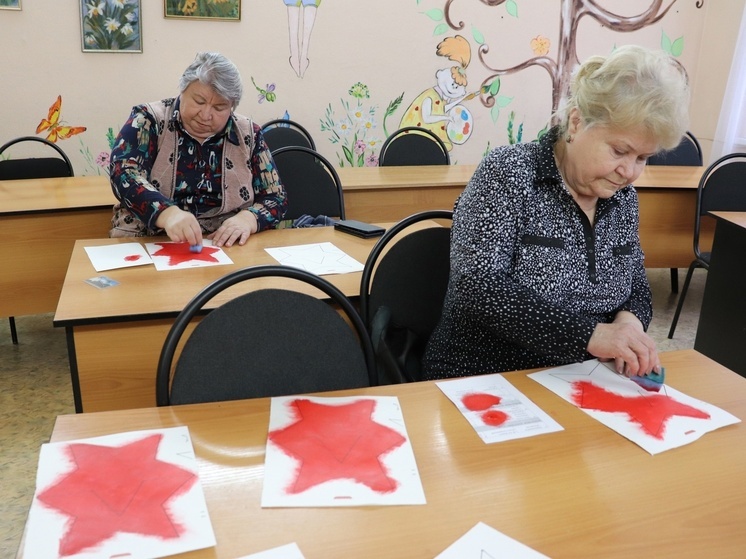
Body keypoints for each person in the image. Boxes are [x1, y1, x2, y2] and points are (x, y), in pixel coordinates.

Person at [422, 45, 690, 381]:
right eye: (620, 150)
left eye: (642, 158)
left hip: (581, 377)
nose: (628, 171)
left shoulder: (623, 199)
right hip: (487, 376)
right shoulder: (509, 173)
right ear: (577, 122)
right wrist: (592, 336)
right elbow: (478, 285)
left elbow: (636, 280)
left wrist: (629, 322)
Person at [109, 52, 286, 248]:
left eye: (219, 108)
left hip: (225, 241)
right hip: (151, 236)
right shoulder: (148, 120)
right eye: (199, 102)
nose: (206, 115)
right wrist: (167, 213)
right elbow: (124, 174)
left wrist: (248, 219)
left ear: (232, 108)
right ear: (183, 90)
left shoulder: (249, 134)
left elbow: (275, 196)